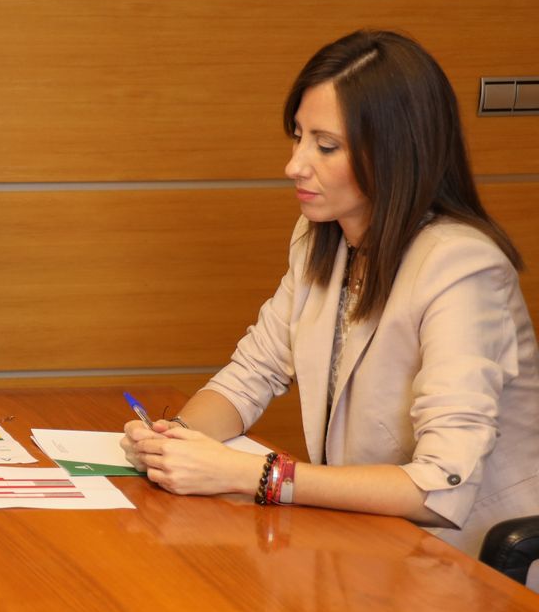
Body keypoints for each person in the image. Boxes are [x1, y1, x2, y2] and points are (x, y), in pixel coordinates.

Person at [122, 29, 539, 576]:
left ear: (396, 150)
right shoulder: (321, 236)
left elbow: (438, 487)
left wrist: (249, 473)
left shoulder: (462, 267)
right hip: (363, 544)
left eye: (325, 146)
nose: (295, 164)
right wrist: (176, 442)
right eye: (297, 137)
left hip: (468, 567)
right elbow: (250, 374)